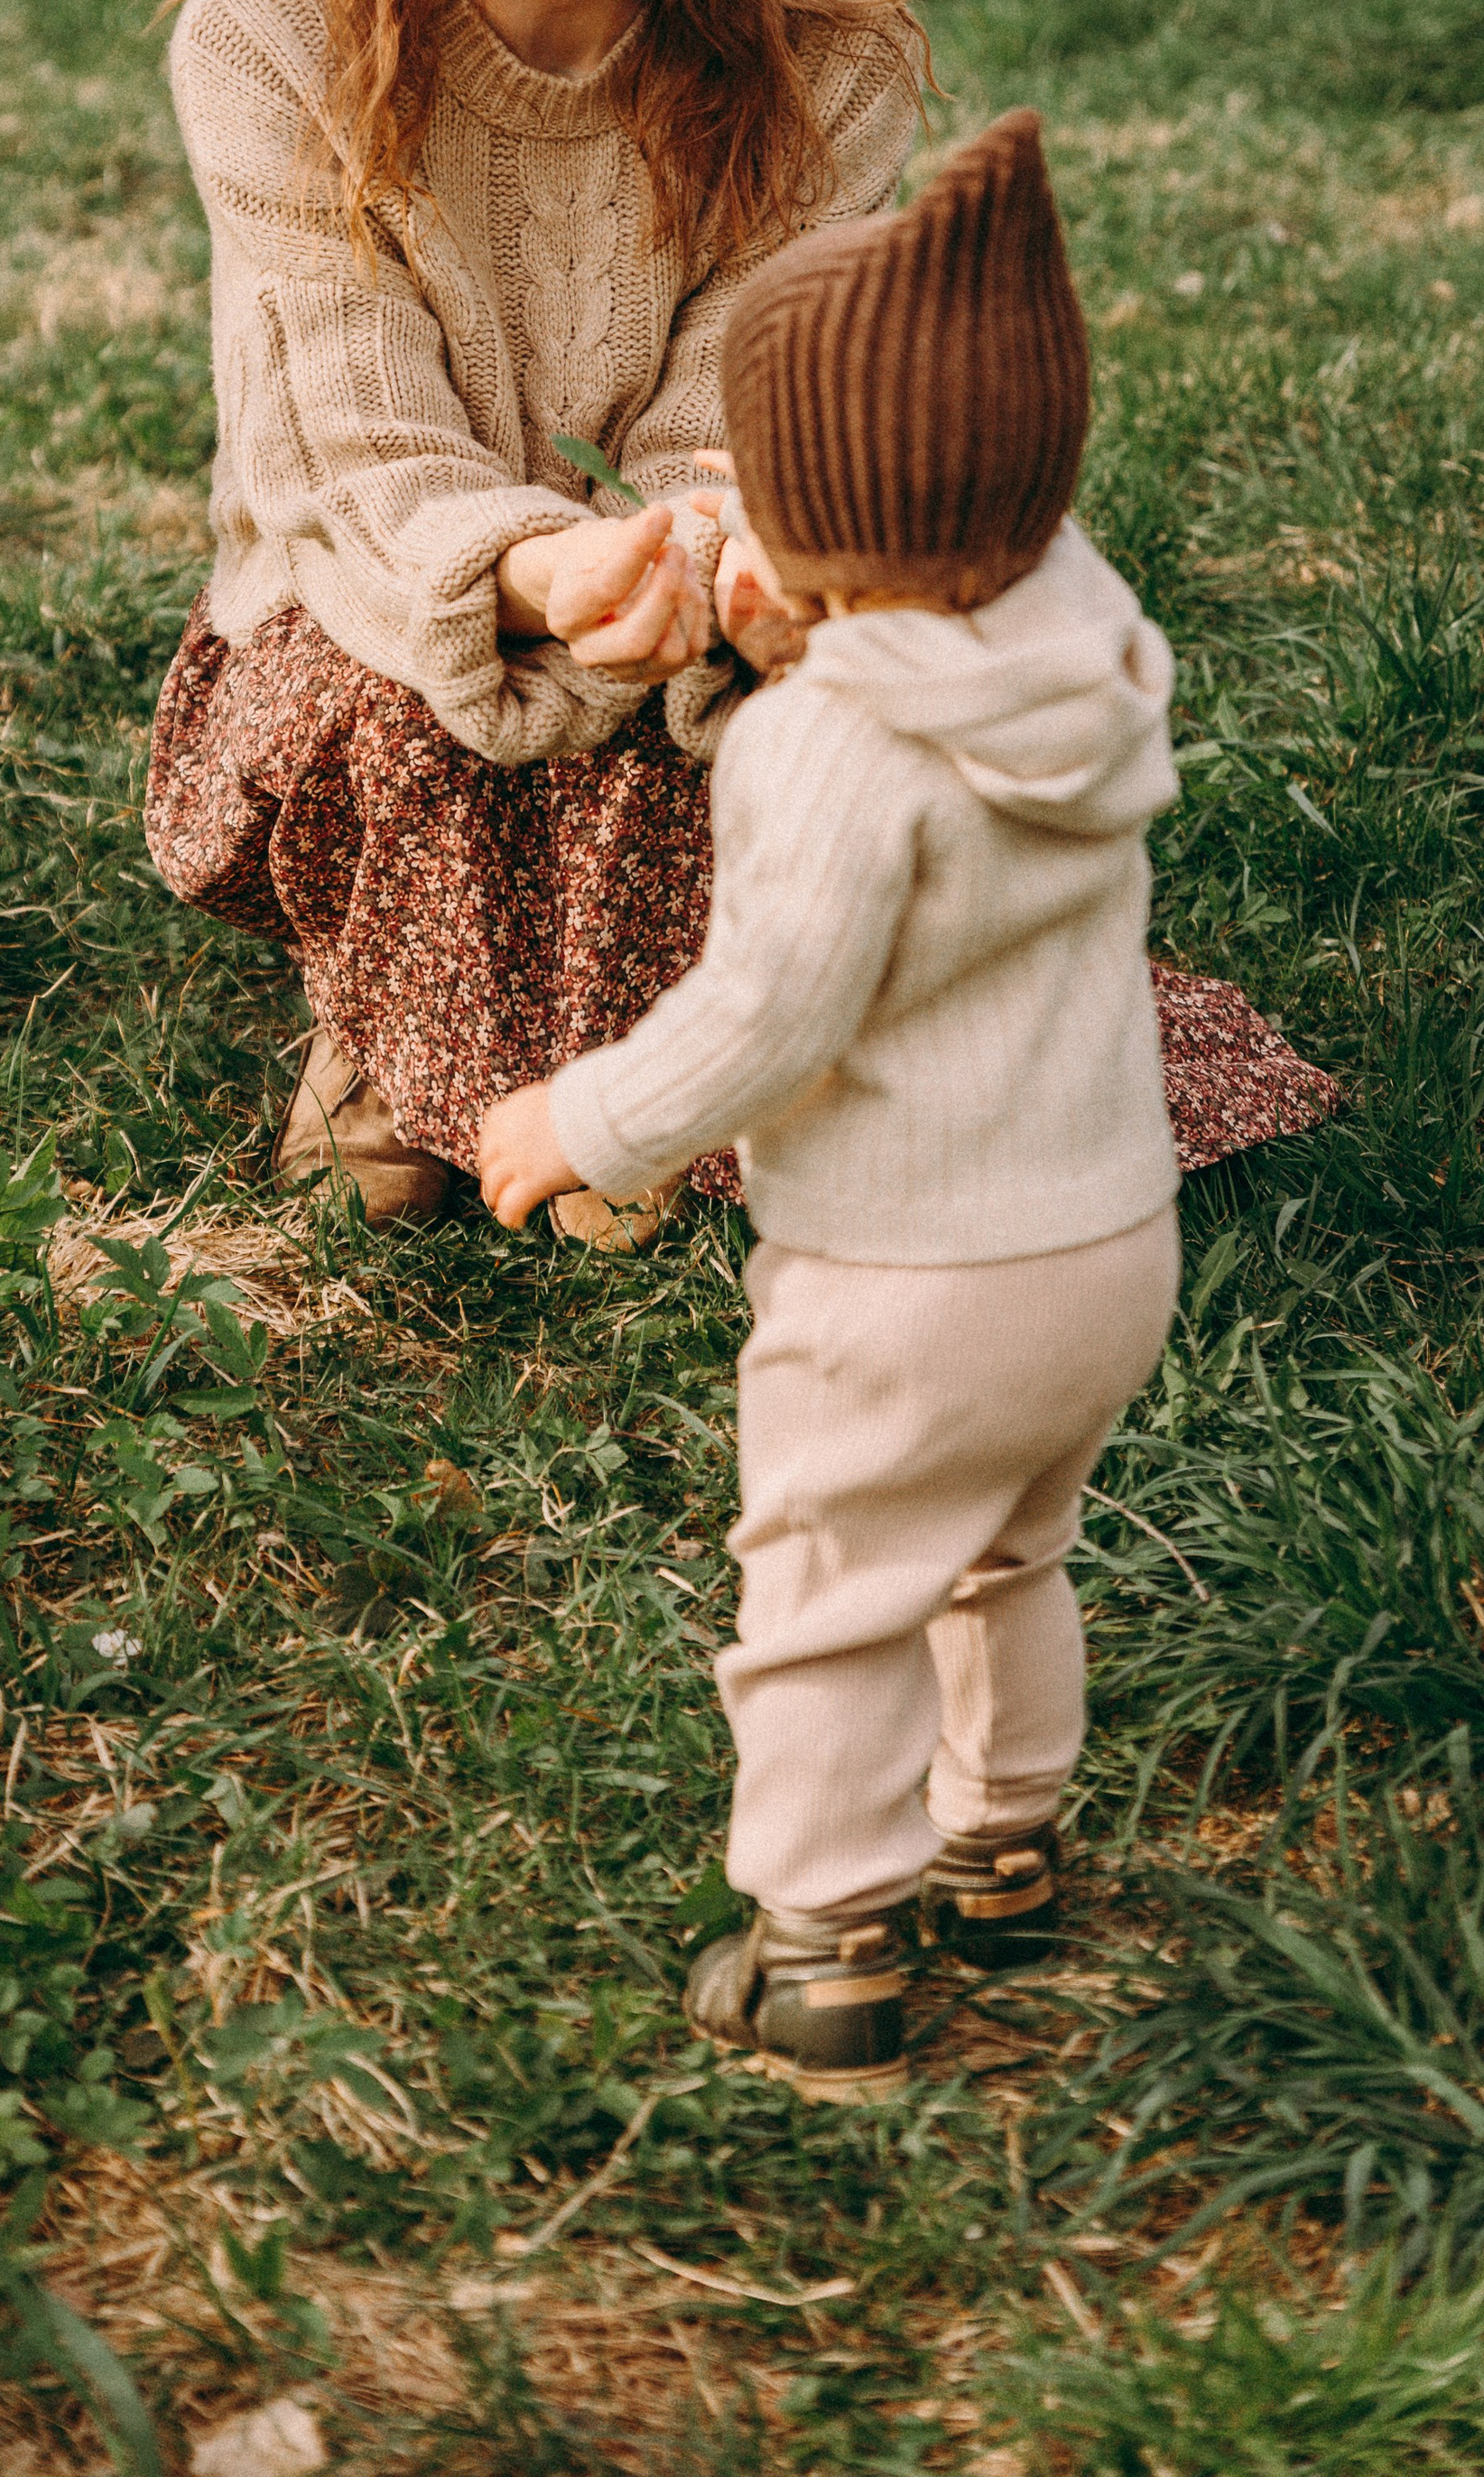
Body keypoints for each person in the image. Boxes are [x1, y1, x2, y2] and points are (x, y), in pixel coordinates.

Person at [144, 0, 1334, 1237]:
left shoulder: (824, 40)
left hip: (676, 591)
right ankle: (403, 1040)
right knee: (415, 703)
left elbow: (755, 414)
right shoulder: (274, 29)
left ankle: (569, 1073)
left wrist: (699, 553)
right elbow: (358, 457)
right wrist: (544, 571)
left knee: (825, 722)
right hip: (363, 600)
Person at [478, 112, 1182, 2099]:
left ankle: (825, 1939)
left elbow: (766, 1016)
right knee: (1004, 1554)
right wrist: (835, 581)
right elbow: (926, 571)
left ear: (829, 536)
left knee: (826, 1589)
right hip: (1102, 1245)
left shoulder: (829, 757)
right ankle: (1002, 1842)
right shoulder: (1081, 644)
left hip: (904, 1280)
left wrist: (587, 1121)